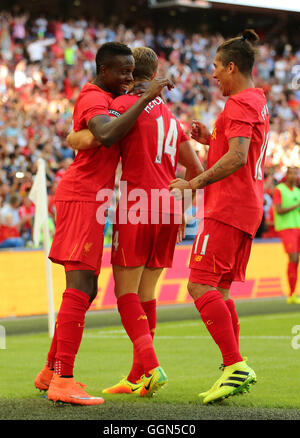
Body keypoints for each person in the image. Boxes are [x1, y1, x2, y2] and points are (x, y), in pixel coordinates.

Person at [34, 42, 173, 406]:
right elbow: (106, 133)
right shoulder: (95, 97)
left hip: (93, 200)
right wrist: (147, 98)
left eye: (132, 71)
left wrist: (77, 136)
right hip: (82, 197)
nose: (128, 78)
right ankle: (63, 379)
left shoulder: (106, 98)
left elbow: (89, 135)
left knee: (88, 288)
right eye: (122, 72)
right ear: (103, 70)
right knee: (80, 286)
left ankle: (51, 369)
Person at [68, 46, 203, 397]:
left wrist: (70, 136)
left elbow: (96, 135)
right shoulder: (173, 119)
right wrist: (183, 207)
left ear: (131, 75)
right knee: (147, 293)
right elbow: (197, 171)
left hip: (137, 203)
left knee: (124, 292)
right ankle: (137, 375)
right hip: (169, 207)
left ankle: (152, 365)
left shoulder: (124, 106)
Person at [169, 29, 269, 404]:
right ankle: (231, 369)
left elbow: (239, 156)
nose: (212, 74)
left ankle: (234, 363)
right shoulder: (258, 100)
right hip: (246, 207)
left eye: (215, 67)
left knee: (198, 285)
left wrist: (192, 183)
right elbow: (240, 148)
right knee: (220, 289)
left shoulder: (240, 104)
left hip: (227, 208)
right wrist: (211, 141)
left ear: (231, 66)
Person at [273, 167, 300, 304]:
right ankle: (291, 294)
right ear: (287, 175)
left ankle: (293, 293)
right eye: (292, 173)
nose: (294, 176)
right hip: (287, 228)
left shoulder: (297, 191)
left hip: (298, 226)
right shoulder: (280, 189)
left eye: (296, 173)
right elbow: (279, 210)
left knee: (296, 260)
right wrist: (297, 205)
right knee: (294, 258)